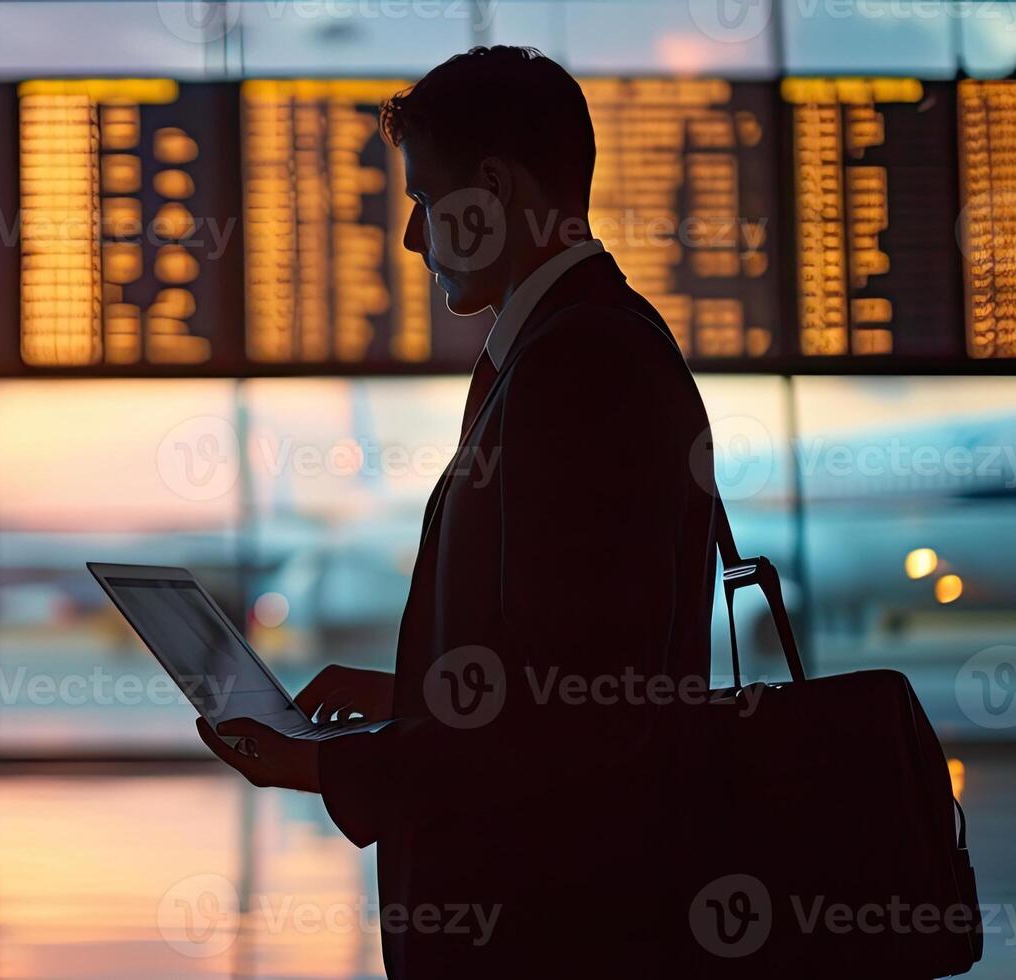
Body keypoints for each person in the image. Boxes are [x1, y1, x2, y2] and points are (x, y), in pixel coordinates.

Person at [196, 47, 720, 975]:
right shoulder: (574, 347)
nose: (411, 237)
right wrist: (415, 699)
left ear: (493, 189)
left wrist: (325, 768)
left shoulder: (579, 365)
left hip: (551, 933)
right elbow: (574, 680)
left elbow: (585, 720)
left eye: (425, 201)